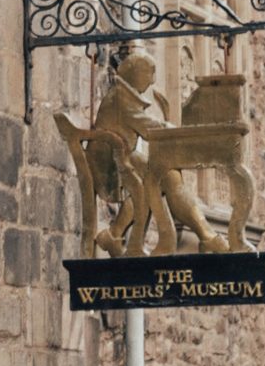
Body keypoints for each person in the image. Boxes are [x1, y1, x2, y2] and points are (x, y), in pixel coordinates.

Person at [87, 50, 228, 256]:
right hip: (109, 163)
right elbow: (146, 127)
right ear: (136, 73)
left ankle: (116, 234)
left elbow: (144, 124)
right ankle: (205, 237)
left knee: (169, 176)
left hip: (122, 157)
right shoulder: (120, 98)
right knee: (162, 178)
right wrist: (171, 128)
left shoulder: (124, 95)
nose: (152, 82)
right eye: (149, 74)